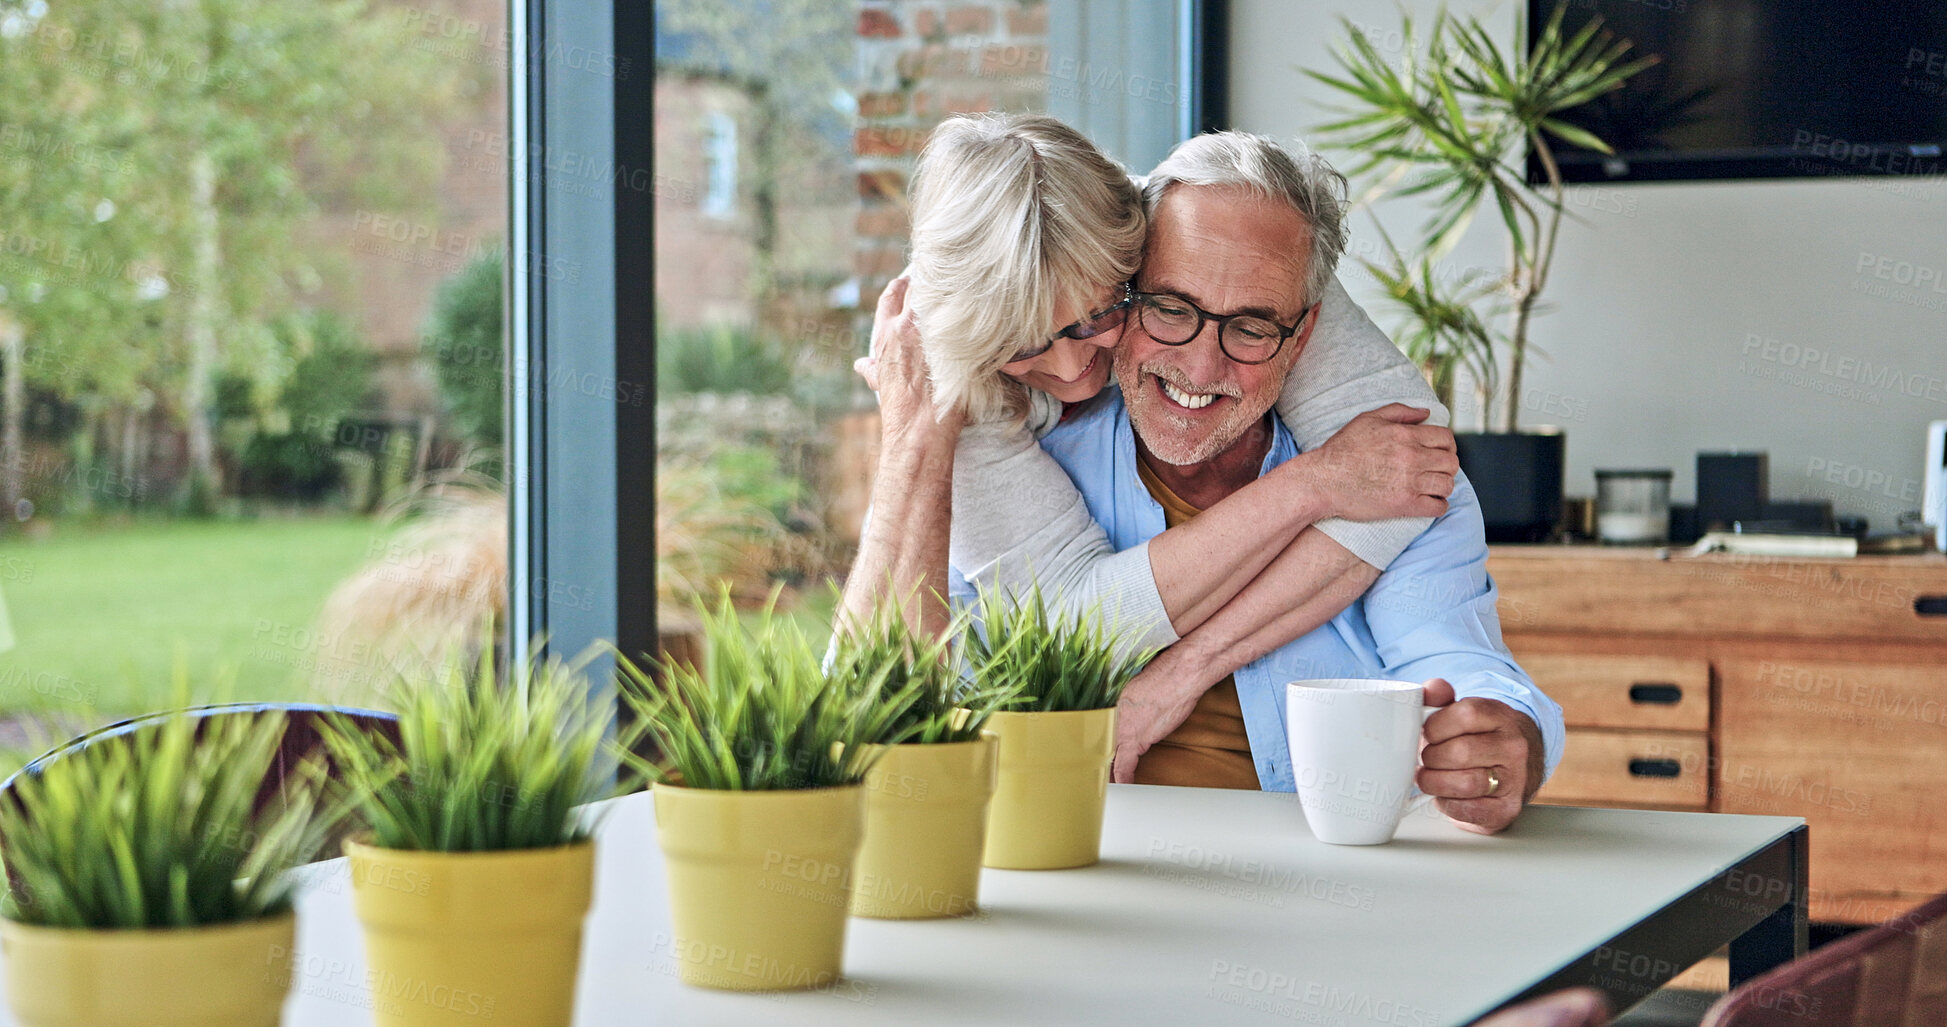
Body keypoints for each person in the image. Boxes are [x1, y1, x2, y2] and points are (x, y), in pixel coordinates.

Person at [949, 130, 1562, 834]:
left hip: (1330, 877)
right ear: (1123, 298)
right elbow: (924, 691)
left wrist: (1508, 736)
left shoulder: (1398, 471)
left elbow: (1457, 658)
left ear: (1303, 337)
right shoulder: (1024, 477)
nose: (1201, 368)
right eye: (1171, 308)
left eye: (1250, 327)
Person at [840, 115, 1457, 765]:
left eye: (1097, 315)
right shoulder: (956, 353)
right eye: (1020, 344)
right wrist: (916, 430)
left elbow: (1407, 456)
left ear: (1132, 262)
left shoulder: (1215, 245)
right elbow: (1066, 630)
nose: (1071, 368)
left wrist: (1187, 667)